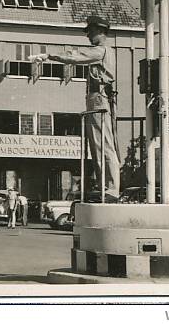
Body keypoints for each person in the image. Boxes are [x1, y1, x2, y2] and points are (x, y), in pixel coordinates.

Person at [33, 15, 121, 198]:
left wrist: (49, 55)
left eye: (91, 31)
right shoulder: (103, 51)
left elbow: (75, 56)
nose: (88, 35)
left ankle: (111, 187)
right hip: (95, 98)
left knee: (102, 144)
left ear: (100, 31)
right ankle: (105, 185)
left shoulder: (101, 51)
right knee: (96, 145)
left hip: (99, 98)